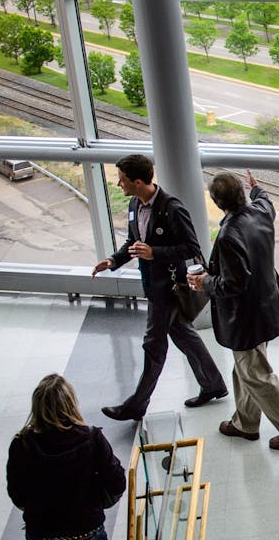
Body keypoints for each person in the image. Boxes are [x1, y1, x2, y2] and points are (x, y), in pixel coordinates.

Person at [94, 154, 228, 421]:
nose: (119, 185)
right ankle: (213, 384)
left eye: (122, 181)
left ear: (139, 181)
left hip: (168, 289)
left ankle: (137, 404)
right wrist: (112, 261)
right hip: (153, 287)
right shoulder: (134, 204)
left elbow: (191, 248)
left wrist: (154, 252)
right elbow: (134, 243)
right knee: (183, 335)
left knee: (153, 345)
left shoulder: (172, 208)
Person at [188, 171, 279, 451]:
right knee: (246, 368)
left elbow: (234, 283)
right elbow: (266, 201)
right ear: (242, 194)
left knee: (255, 373)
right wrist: (257, 188)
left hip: (246, 317)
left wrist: (203, 283)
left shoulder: (229, 235)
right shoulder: (260, 213)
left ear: (218, 202)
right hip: (266, 305)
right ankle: (245, 423)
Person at [6, 374, 125, 540]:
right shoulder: (91, 438)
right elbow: (118, 481)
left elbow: (16, 494)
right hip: (84, 536)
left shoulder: (21, 443)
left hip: (40, 538)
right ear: (71, 403)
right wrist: (98, 500)